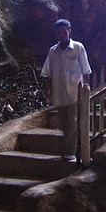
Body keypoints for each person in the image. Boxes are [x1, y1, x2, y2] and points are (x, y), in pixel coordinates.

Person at [40, 19, 92, 160]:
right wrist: (48, 90)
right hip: (60, 91)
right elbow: (49, 73)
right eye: (59, 32)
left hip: (75, 90)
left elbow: (85, 69)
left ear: (69, 31)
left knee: (72, 121)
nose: (62, 34)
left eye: (64, 31)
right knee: (65, 122)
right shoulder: (53, 51)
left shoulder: (78, 48)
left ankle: (70, 151)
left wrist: (86, 88)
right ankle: (71, 149)